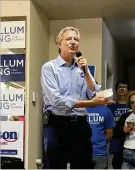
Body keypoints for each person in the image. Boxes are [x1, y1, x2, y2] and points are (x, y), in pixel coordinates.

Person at [40, 26, 114, 169]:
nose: (73, 42)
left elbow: (94, 93)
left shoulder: (82, 68)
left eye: (76, 39)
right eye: (68, 39)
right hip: (57, 124)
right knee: (56, 166)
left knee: (83, 166)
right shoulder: (49, 68)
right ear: (59, 43)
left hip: (80, 124)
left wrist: (86, 72)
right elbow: (57, 101)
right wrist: (90, 102)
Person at [113, 90, 135, 169]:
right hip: (126, 152)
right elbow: (115, 133)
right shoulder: (125, 116)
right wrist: (123, 130)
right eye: (132, 103)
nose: (134, 105)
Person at [108, 80, 130, 169]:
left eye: (124, 87)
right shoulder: (110, 106)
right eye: (119, 87)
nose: (122, 89)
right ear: (116, 90)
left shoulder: (132, 106)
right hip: (115, 142)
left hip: (130, 141)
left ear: (128, 90)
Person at [86, 104, 115, 169]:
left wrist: (100, 143)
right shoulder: (79, 109)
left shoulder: (105, 109)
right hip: (82, 153)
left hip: (100, 153)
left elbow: (110, 133)